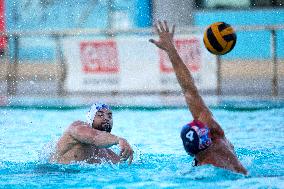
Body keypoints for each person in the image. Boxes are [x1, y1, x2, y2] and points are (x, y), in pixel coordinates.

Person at [149, 21, 247, 175]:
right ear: (207, 135)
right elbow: (189, 89)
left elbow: (189, 89)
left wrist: (170, 50)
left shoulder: (205, 165)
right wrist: (170, 49)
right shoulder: (217, 135)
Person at [50, 103, 133, 165]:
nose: (106, 118)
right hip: (52, 175)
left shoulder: (108, 154)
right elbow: (95, 137)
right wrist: (119, 139)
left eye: (109, 116)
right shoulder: (77, 127)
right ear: (90, 119)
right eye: (100, 115)